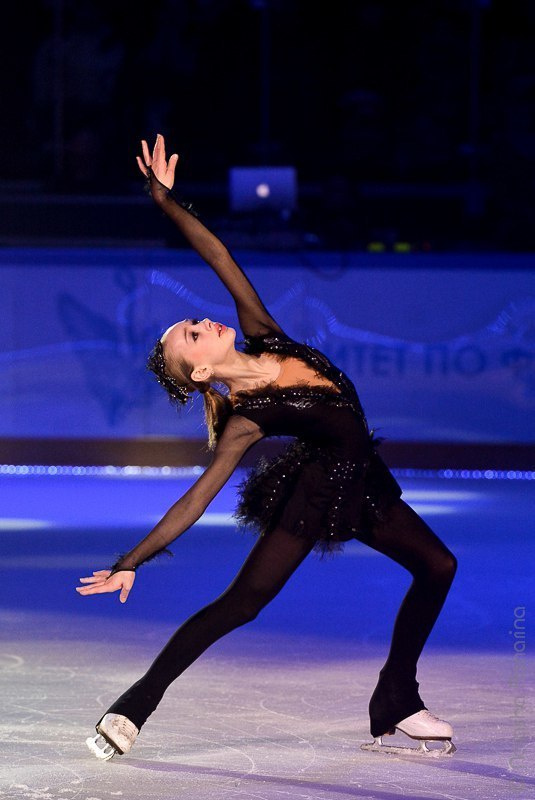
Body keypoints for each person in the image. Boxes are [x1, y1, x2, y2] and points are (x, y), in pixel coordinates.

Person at [77, 134, 458, 760]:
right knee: (241, 605)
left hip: (363, 482)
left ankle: (396, 700)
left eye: (195, 321)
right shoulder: (245, 420)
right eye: (193, 336)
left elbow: (217, 254)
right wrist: (131, 560)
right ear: (200, 373)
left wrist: (164, 200)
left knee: (438, 566)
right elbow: (198, 496)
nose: (204, 324)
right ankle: (133, 708)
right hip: (312, 496)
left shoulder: (264, 335)